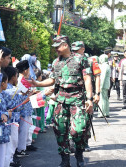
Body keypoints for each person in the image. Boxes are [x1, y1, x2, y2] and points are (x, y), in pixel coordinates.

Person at [31, 35, 93, 167]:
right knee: (60, 131)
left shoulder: (80, 59)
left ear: (65, 45)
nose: (56, 50)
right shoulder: (56, 62)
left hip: (77, 99)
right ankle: (65, 159)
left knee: (78, 130)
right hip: (61, 100)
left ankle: (79, 152)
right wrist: (37, 83)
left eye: (57, 47)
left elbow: (87, 78)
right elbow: (52, 80)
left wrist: (89, 98)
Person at [71, 41, 101, 152]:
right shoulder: (69, 60)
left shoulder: (91, 60)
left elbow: (97, 76)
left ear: (82, 49)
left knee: (87, 120)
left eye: (76, 50)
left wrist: (97, 94)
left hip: (87, 94)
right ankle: (72, 142)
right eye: (73, 50)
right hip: (73, 94)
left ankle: (85, 142)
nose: (74, 52)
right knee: (72, 119)